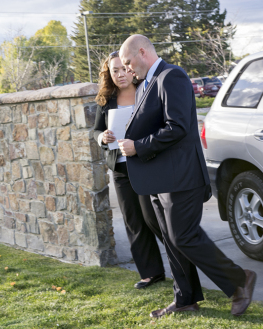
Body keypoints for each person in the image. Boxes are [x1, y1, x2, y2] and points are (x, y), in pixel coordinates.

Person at [117, 34, 257, 318]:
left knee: (184, 236)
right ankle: (185, 298)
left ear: (142, 52)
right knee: (171, 238)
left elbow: (178, 126)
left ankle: (239, 280)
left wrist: (138, 146)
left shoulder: (171, 77)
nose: (128, 69)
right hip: (160, 178)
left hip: (181, 176)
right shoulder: (147, 83)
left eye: (128, 62)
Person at [92, 51, 165, 290]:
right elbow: (95, 131)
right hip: (120, 169)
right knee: (134, 221)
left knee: (153, 219)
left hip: (147, 164)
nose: (120, 74)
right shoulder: (106, 99)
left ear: (130, 68)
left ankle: (182, 262)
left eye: (123, 69)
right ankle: (151, 273)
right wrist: (102, 137)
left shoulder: (147, 89)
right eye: (115, 71)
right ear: (109, 74)